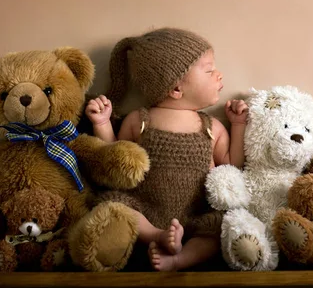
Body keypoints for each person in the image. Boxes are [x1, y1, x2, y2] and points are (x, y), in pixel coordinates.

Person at [85, 27, 248, 271]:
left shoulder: (211, 127)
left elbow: (232, 168)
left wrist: (238, 125)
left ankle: (181, 259)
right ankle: (155, 235)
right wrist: (102, 123)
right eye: (210, 70)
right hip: (144, 208)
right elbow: (116, 160)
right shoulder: (139, 120)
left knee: (221, 227)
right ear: (175, 89)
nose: (219, 75)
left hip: (195, 216)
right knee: (114, 205)